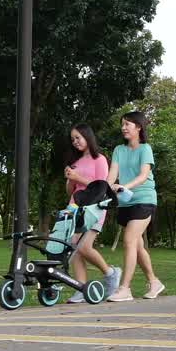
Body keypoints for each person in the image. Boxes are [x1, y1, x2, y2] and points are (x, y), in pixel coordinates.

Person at [106, 111, 164, 301]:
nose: (123, 128)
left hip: (144, 199)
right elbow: (112, 174)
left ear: (138, 127)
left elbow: (143, 175)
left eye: (127, 124)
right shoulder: (118, 150)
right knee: (137, 246)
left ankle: (125, 288)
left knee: (129, 240)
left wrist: (124, 186)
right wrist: (104, 190)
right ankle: (154, 281)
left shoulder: (145, 148)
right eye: (122, 124)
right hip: (125, 202)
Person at [62, 124, 121, 303]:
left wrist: (77, 177)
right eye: (72, 139)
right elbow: (71, 191)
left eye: (78, 137)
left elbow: (100, 187)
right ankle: (80, 288)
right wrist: (69, 180)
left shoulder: (100, 159)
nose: (75, 142)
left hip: (95, 208)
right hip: (75, 208)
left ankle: (111, 273)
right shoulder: (76, 162)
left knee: (84, 247)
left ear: (88, 137)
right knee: (74, 246)